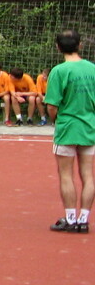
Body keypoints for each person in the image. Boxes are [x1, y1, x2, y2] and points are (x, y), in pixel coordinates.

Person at [43, 30, 95, 233]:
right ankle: (84, 219)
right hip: (89, 126)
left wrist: (56, 121)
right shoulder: (92, 69)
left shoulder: (58, 71)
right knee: (87, 174)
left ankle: (71, 218)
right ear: (80, 45)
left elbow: (52, 106)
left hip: (67, 127)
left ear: (58, 47)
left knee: (66, 174)